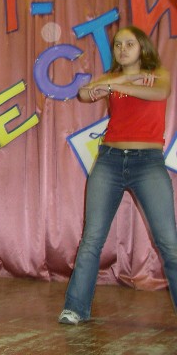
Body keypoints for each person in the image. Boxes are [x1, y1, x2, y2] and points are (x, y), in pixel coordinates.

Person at [59, 25, 177, 325]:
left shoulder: (158, 75)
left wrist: (116, 84)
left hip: (148, 163)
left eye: (129, 44)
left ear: (143, 48)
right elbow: (83, 94)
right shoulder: (111, 78)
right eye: (118, 45)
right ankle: (75, 308)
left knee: (169, 243)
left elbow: (160, 92)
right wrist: (119, 81)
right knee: (92, 238)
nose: (122, 49)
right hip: (109, 161)